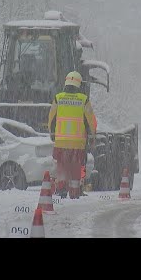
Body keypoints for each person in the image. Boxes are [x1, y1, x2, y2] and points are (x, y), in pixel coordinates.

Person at [48, 71, 97, 199]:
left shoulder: (58, 98)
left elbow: (51, 118)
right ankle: (75, 193)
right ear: (79, 84)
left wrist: (52, 133)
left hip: (61, 142)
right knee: (75, 168)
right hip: (78, 143)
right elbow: (91, 120)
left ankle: (61, 190)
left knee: (62, 167)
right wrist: (93, 135)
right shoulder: (83, 99)